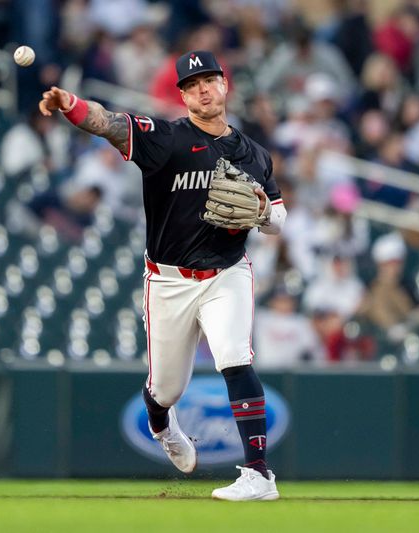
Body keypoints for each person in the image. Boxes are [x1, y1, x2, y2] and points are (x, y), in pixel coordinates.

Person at [39, 50, 286, 501]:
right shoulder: (166, 138)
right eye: (192, 85)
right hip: (168, 280)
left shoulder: (255, 154)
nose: (202, 89)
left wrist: (266, 213)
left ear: (225, 84)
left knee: (235, 357)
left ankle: (259, 474)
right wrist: (70, 104)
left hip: (227, 272)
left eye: (209, 80)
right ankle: (161, 424)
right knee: (165, 389)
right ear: (183, 95)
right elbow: (110, 123)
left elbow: (279, 218)